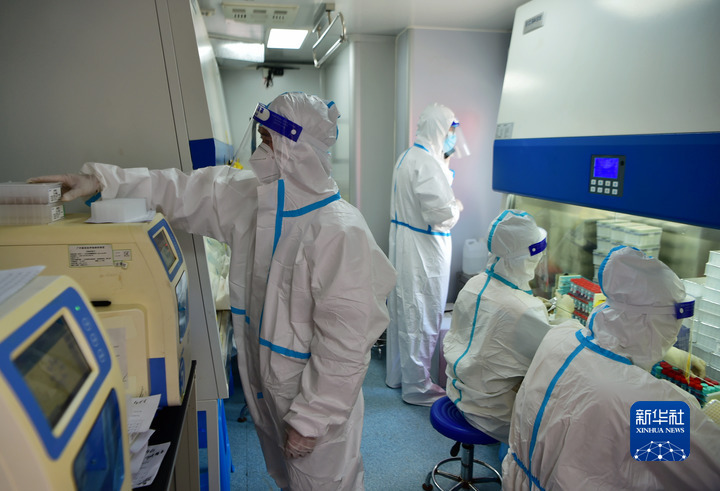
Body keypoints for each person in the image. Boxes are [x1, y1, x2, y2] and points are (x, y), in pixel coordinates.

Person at [30, 92, 397, 490]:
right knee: (289, 481)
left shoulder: (340, 231)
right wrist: (101, 181)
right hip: (271, 389)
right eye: (260, 137)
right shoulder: (257, 200)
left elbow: (345, 344)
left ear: (299, 148)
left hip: (315, 403)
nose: (260, 150)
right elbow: (182, 190)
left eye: (268, 141)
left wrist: (313, 419)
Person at [503, 246, 720, 490]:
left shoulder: (560, 336)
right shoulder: (644, 402)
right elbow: (710, 474)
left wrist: (668, 353)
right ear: (654, 324)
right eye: (673, 323)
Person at [443, 209, 552, 443]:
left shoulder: (475, 284)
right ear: (529, 258)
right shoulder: (524, 309)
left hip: (456, 389)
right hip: (491, 414)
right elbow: (546, 359)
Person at [385, 103, 464, 406]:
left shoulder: (409, 157)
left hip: (407, 244)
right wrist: (457, 207)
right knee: (422, 316)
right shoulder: (427, 164)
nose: (453, 138)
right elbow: (441, 213)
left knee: (404, 313)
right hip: (425, 251)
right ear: (439, 129)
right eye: (451, 131)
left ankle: (398, 377)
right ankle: (418, 388)